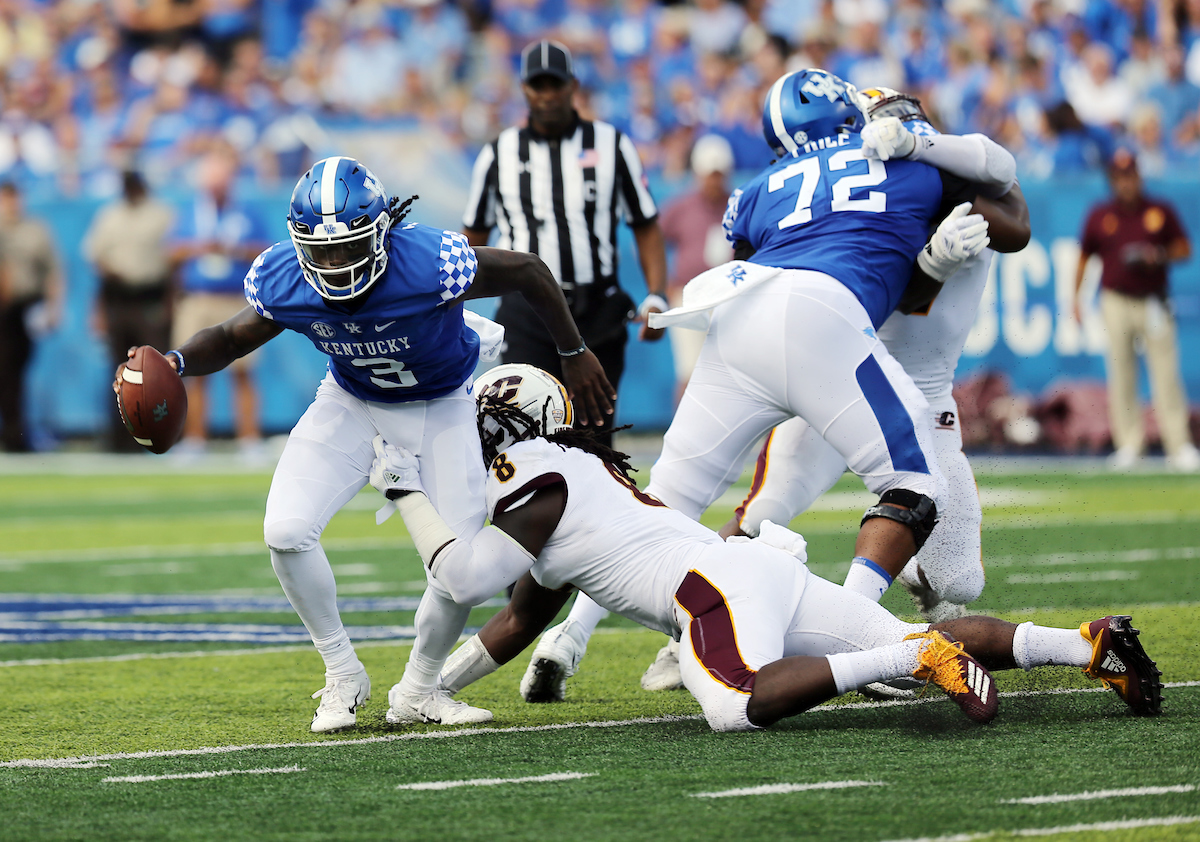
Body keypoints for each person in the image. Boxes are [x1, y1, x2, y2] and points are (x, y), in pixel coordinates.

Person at [522, 72, 1012, 701]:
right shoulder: (909, 168)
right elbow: (995, 175)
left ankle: (564, 641)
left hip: (746, 319)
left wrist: (927, 226)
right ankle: (864, 631)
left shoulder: (759, 189)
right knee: (913, 485)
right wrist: (922, 158)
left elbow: (767, 244)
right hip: (832, 331)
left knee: (663, 502)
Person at [366, 363, 1163, 731]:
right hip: (750, 568)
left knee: (738, 706)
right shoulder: (578, 479)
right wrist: (427, 687)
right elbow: (514, 623)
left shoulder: (531, 481)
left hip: (712, 587)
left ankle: (912, 663)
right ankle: (1087, 645)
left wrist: (404, 492)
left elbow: (465, 577)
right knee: (904, 631)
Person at [116, 156, 614, 732]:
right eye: (321, 251)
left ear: (381, 232)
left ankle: (420, 690)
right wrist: (175, 362)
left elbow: (528, 269)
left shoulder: (429, 262)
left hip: (439, 403)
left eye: (347, 247)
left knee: (459, 574)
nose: (334, 263)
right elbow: (231, 336)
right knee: (284, 530)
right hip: (350, 401)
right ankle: (341, 670)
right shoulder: (284, 276)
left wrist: (574, 353)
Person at [721, 88, 1032, 627]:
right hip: (843, 377)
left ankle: (891, 586)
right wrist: (932, 262)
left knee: (961, 581)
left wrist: (928, 156)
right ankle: (686, 633)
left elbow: (1016, 225)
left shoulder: (948, 179)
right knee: (761, 512)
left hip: (926, 395)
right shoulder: (854, 198)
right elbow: (886, 296)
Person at [462, 39, 669, 447]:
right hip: (527, 315)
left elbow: (645, 223)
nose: (547, 95)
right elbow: (473, 239)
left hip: (598, 311)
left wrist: (657, 295)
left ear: (572, 86)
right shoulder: (498, 154)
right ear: (524, 89)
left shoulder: (612, 145)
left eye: (555, 84)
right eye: (538, 85)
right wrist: (453, 306)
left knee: (593, 443)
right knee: (527, 440)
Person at [1073, 148, 1199, 473]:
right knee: (1121, 374)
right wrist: (1075, 298)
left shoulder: (1160, 210)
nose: (1126, 183)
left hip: (1154, 299)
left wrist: (1158, 255)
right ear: (1112, 180)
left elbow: (1184, 248)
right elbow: (1084, 255)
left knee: (1166, 374)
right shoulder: (1101, 214)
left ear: (1139, 177)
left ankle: (1178, 443)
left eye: (1130, 176)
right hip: (1115, 300)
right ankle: (1130, 443)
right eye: (1120, 177)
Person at [168, 144, 270, 460]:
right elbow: (171, 251)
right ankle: (195, 439)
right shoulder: (190, 210)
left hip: (235, 298)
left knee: (243, 372)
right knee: (193, 371)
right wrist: (202, 247)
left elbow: (266, 250)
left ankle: (249, 439)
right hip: (198, 298)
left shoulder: (246, 211)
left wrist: (233, 250)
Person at [85, 169, 175, 452]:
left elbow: (174, 264)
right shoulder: (110, 215)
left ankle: (162, 431)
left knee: (156, 368)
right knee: (119, 369)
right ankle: (120, 436)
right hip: (118, 296)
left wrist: (171, 302)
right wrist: (98, 308)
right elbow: (96, 259)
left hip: (150, 295)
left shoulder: (161, 215)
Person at [659, 133, 736, 401]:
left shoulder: (737, 208)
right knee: (689, 372)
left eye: (718, 174)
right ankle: (683, 440)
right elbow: (653, 243)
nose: (713, 181)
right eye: (709, 174)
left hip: (730, 298)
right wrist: (663, 286)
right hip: (688, 297)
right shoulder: (681, 208)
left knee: (732, 373)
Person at [0, 182, 63, 452]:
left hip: (22, 308)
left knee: (15, 373)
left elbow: (52, 270)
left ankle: (15, 434)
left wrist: (53, 307)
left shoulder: (35, 229)